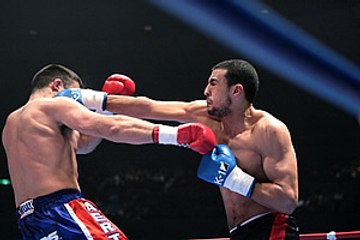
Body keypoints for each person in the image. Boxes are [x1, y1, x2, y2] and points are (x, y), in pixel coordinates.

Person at [1, 64, 217, 240]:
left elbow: (84, 144)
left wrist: (107, 106)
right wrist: (175, 135)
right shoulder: (52, 106)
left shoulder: (12, 123)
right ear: (57, 85)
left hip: (29, 221)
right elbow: (108, 127)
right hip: (63, 209)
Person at [98, 59, 300, 239]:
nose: (206, 91)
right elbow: (150, 107)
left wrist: (235, 180)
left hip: (273, 230)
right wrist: (93, 100)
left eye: (213, 83)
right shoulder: (205, 116)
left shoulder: (269, 130)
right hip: (237, 232)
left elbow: (288, 201)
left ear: (236, 91)